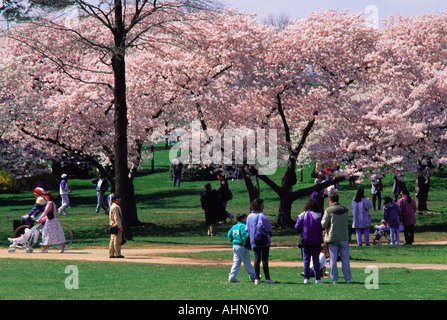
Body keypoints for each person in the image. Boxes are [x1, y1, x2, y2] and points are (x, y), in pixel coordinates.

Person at [321, 193, 352, 284]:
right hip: (344, 236)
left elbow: (323, 224)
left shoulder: (329, 210)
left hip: (332, 237)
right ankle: (348, 278)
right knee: (345, 259)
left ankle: (334, 279)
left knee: (333, 259)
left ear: (330, 201)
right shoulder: (345, 209)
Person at [295, 198, 325, 284]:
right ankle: (317, 278)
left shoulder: (303, 215)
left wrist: (302, 231)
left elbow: (297, 227)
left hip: (305, 240)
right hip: (316, 240)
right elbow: (322, 226)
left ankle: (306, 278)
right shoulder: (319, 215)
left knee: (306, 260)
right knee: (316, 260)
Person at [246, 198, 274, 284]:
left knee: (256, 259)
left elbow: (247, 229)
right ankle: (267, 278)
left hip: (254, 241)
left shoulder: (249, 216)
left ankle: (257, 278)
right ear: (260, 206)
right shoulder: (262, 216)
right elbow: (268, 227)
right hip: (264, 240)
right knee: (265, 260)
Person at [227, 213, 256, 283]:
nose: (247, 219)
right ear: (242, 219)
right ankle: (253, 276)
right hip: (242, 246)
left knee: (236, 262)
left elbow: (229, 235)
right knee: (247, 262)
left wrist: (233, 240)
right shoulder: (244, 226)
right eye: (246, 218)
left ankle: (232, 276)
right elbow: (246, 236)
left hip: (235, 245)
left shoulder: (234, 226)